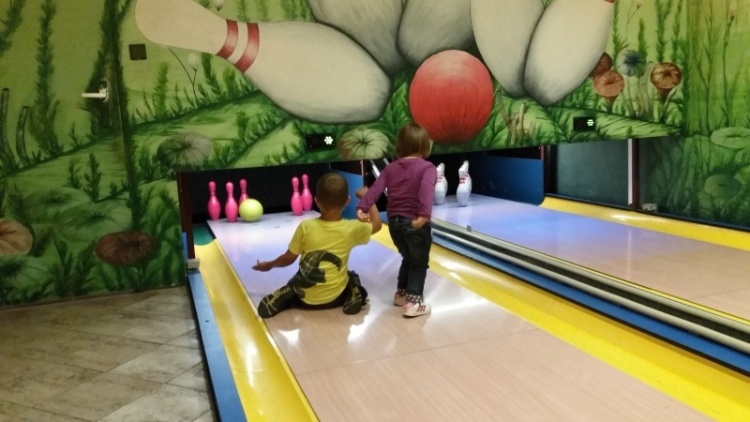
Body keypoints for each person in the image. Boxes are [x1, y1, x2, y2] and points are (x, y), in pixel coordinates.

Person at [252, 172, 382, 318]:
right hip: (336, 298)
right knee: (351, 276)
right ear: (347, 201)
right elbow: (377, 224)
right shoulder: (351, 228)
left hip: (304, 298)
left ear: (317, 201)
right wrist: (368, 197)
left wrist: (269, 265)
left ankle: (289, 292)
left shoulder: (306, 227)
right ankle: (353, 291)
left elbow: (288, 259)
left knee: (295, 284)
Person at [356, 122, 436, 318]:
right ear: (424, 145)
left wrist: (362, 207)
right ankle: (414, 302)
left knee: (408, 257)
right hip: (415, 222)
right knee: (419, 262)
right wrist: (424, 214)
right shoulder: (427, 167)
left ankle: (401, 294)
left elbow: (375, 188)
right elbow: (426, 190)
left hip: (394, 224)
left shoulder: (390, 168)